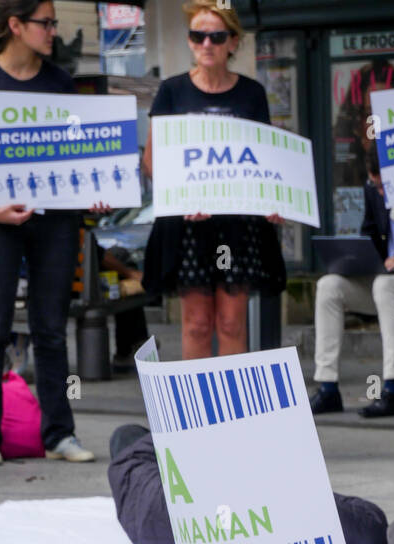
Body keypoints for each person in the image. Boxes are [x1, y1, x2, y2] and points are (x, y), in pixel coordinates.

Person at [0, 0, 96, 467]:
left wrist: (96, 185)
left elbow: (77, 148)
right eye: (45, 22)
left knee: (51, 328)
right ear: (16, 25)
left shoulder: (59, 81)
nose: (53, 30)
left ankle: (59, 433)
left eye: (54, 22)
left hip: (54, 218)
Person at [141, 1, 285, 360]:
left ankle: (234, 413)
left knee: (232, 323)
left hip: (237, 224)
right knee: (196, 324)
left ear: (233, 42)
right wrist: (181, 196)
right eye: (198, 35)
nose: (207, 44)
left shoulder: (251, 94)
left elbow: (263, 159)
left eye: (216, 36)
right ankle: (199, 413)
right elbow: (151, 161)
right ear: (190, 42)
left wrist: (276, 199)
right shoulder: (172, 91)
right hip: (189, 224)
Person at [106, 424, 390, 544]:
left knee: (127, 437)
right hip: (171, 505)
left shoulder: (140, 474)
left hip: (155, 507)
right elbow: (371, 521)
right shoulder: (289, 503)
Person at [309, 150, 394, 421]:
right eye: (374, 185)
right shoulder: (372, 192)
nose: (379, 192)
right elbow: (369, 233)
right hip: (383, 276)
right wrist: (354, 258)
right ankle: (327, 386)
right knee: (328, 286)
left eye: (383, 186)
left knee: (384, 286)